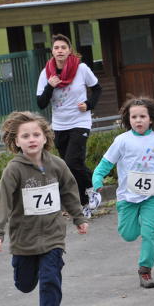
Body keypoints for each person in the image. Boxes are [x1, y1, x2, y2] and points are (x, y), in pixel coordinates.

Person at [0, 111, 89, 306]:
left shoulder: (57, 165)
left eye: (36, 134)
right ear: (16, 142)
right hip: (24, 239)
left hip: (53, 236)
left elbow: (69, 192)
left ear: (45, 138)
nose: (32, 139)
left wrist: (78, 217)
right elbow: (2, 201)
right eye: (25, 136)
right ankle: (25, 274)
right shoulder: (14, 170)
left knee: (50, 280)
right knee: (25, 284)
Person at [92, 97, 154, 288]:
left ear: (150, 119)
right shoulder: (122, 140)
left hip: (152, 196)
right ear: (128, 119)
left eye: (142, 116)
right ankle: (140, 228)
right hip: (127, 196)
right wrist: (97, 179)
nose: (138, 120)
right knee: (128, 234)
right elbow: (106, 163)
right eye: (134, 117)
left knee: (149, 233)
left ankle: (145, 271)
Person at [37, 34, 102, 218]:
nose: (60, 51)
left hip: (80, 122)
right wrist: (50, 86)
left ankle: (92, 188)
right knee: (68, 167)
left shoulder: (81, 69)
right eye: (56, 47)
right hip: (59, 125)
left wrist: (89, 105)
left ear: (69, 51)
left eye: (63, 47)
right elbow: (41, 103)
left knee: (73, 162)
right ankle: (83, 204)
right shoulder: (46, 73)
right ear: (52, 51)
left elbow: (97, 88)